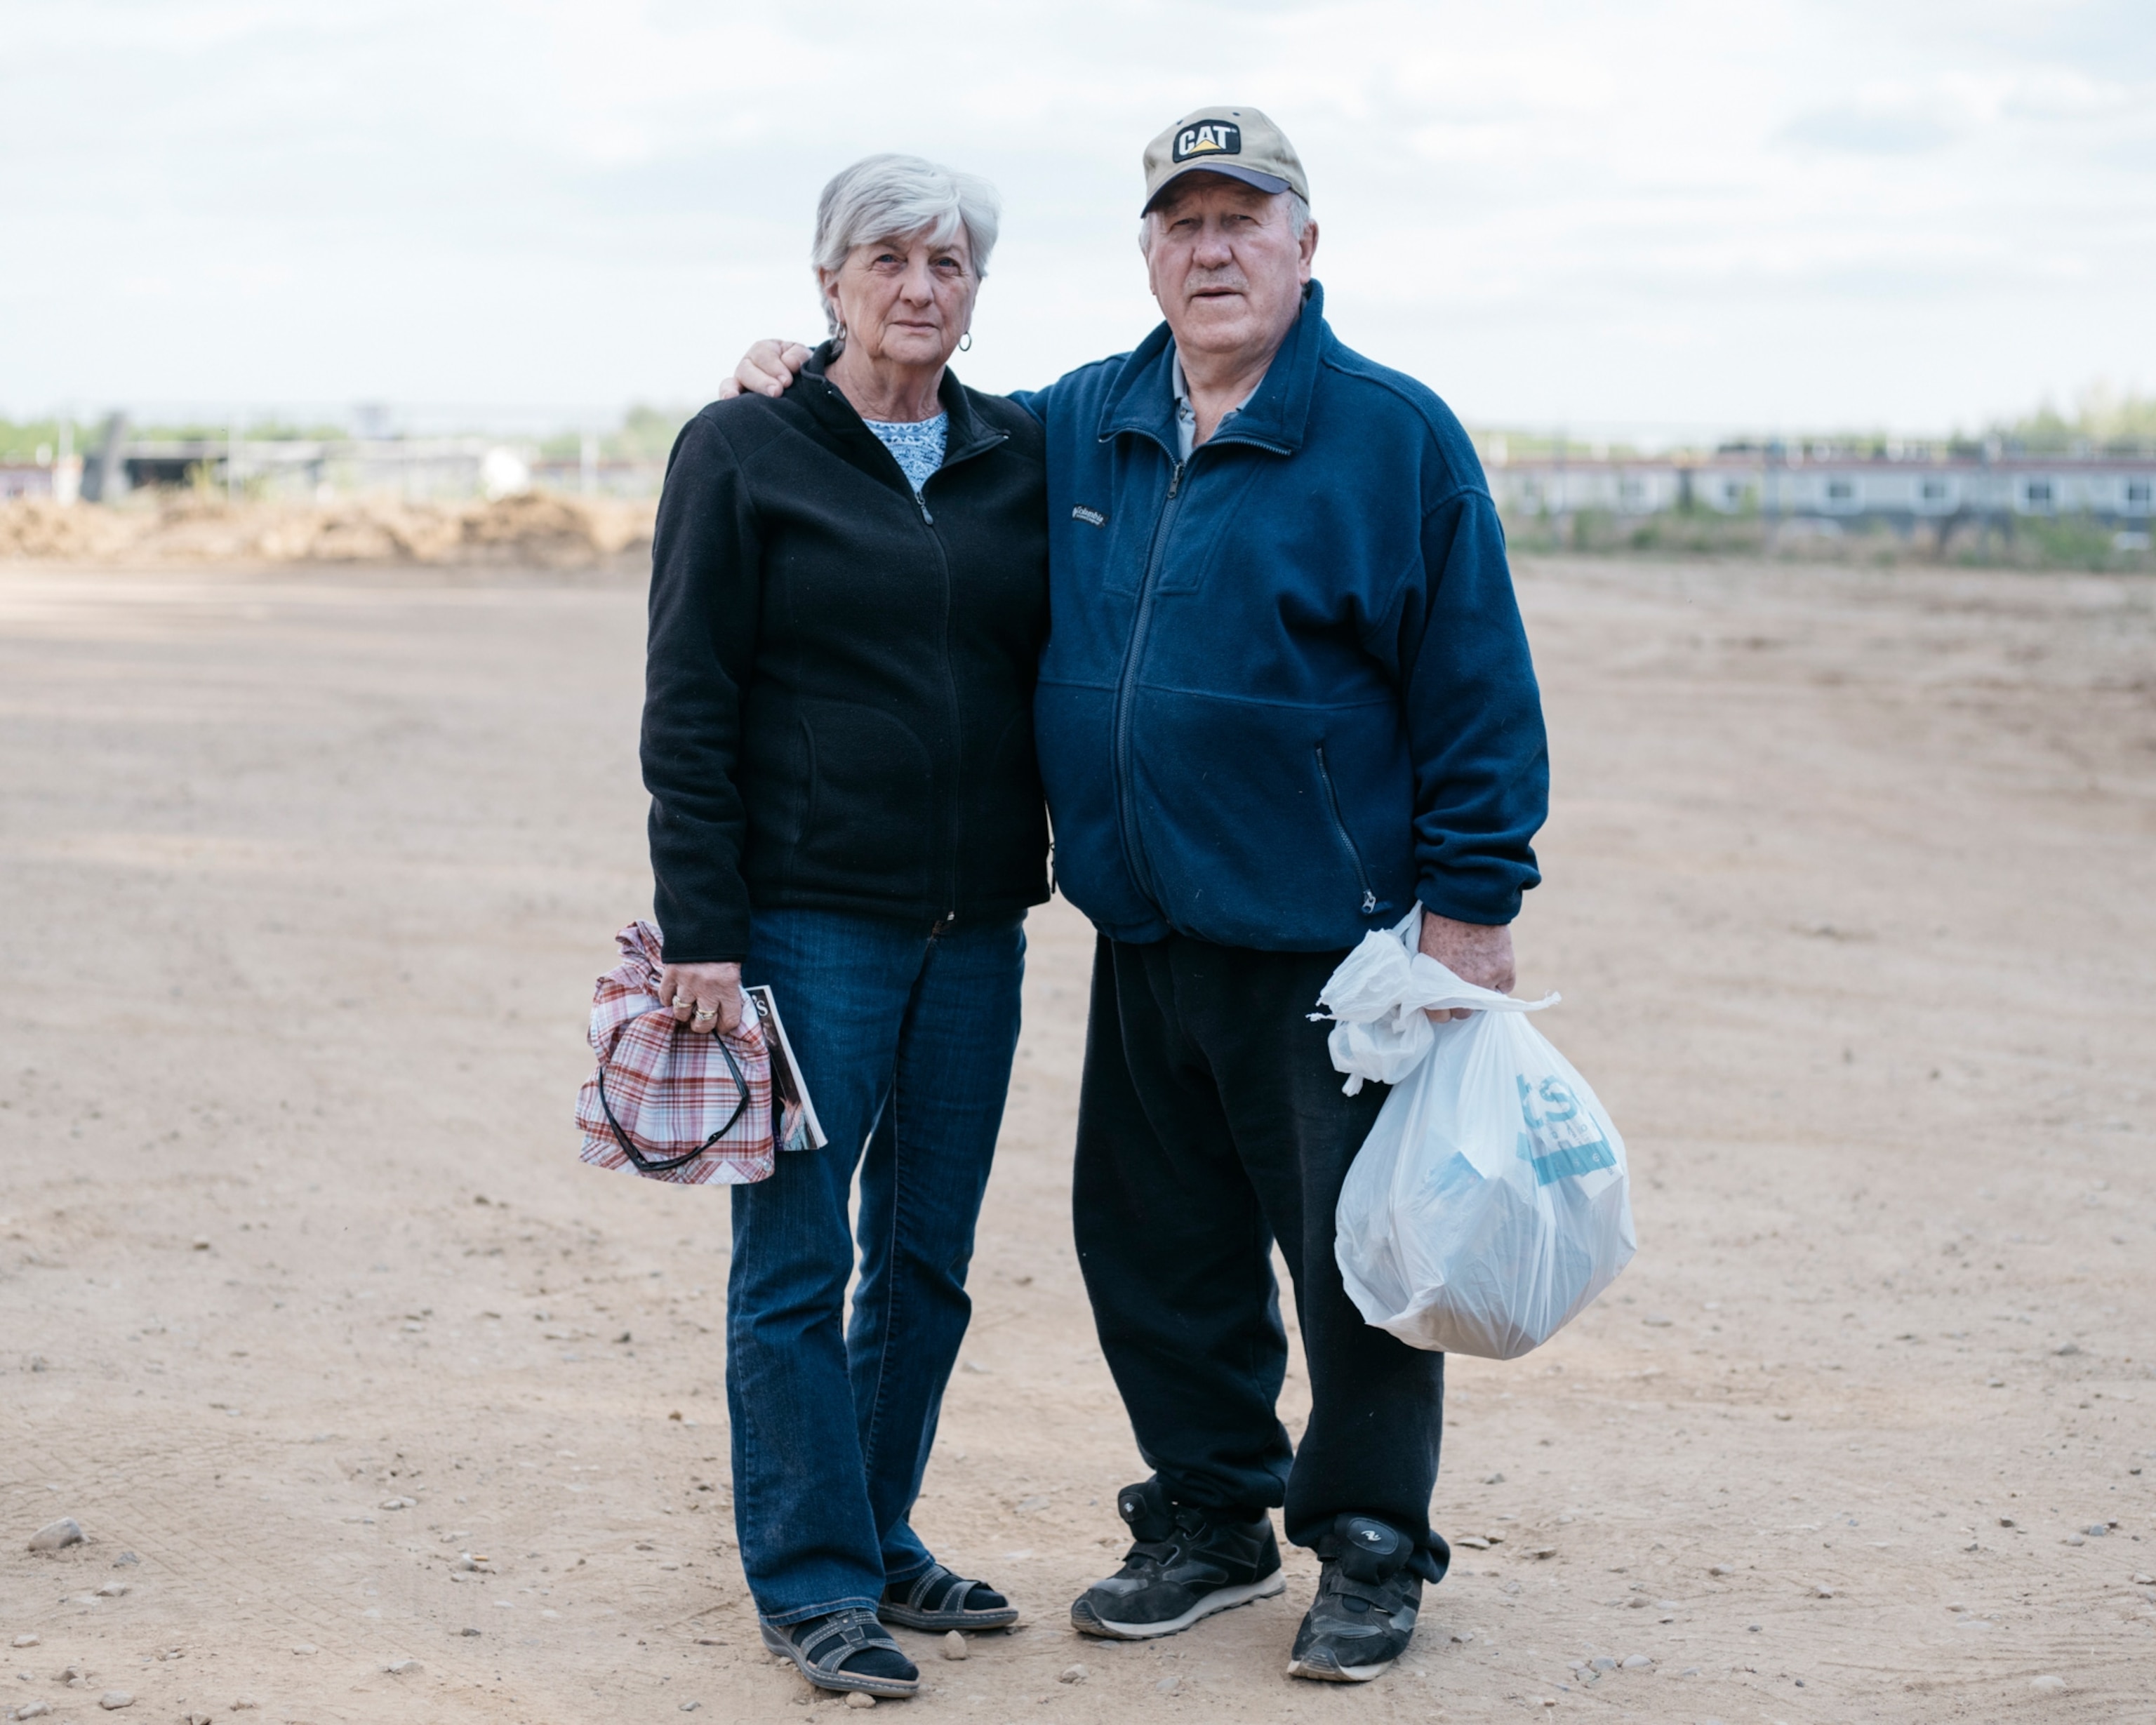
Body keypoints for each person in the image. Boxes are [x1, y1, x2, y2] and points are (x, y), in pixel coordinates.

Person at [723, 106, 1548, 1686]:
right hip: (1144, 925)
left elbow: (1478, 686)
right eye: (1186, 222)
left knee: (1354, 1252)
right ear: (1150, 252)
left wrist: (1475, 905)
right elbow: (912, 428)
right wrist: (789, 371)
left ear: (1308, 246)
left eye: (1249, 219)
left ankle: (1369, 1539)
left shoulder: (1395, 434)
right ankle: (1211, 1511)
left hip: (1336, 938)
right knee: (1152, 1243)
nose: (1215, 247)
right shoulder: (1081, 418)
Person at [644, 152, 1052, 1701]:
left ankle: (877, 1531)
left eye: (950, 261)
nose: (919, 285)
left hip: (978, 928)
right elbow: (691, 701)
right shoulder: (743, 447)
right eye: (886, 256)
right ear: (828, 281)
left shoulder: (1020, 449)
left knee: (930, 1258)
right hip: (812, 927)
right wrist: (706, 926)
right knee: (797, 1259)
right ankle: (810, 1582)